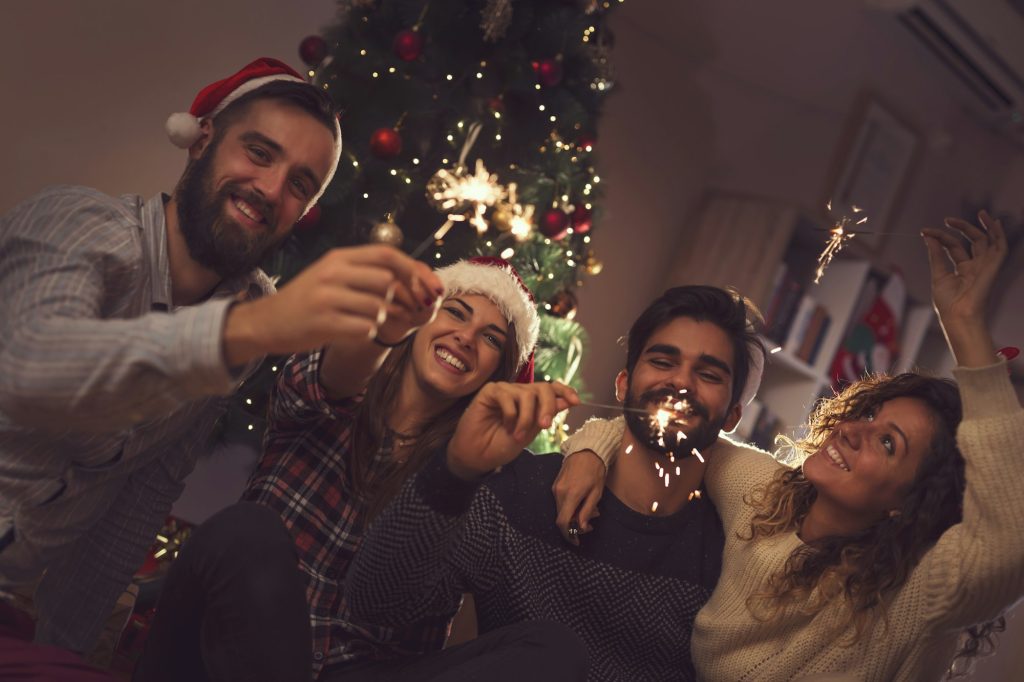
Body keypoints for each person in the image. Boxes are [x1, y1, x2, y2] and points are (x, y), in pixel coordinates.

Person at [0, 56, 441, 662]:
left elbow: (143, 490)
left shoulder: (251, 303)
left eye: (300, 184)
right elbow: (29, 367)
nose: (270, 190)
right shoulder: (78, 224)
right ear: (202, 136)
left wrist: (65, 652)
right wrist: (245, 330)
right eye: (259, 153)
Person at [561, 211, 1023, 681]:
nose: (852, 431)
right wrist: (590, 451)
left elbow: (1011, 540)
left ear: (909, 503)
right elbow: (681, 427)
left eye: (887, 442)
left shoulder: (915, 594)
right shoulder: (766, 499)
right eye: (866, 415)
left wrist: (965, 325)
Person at [134, 257, 588, 682]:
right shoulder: (332, 392)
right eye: (456, 312)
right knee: (246, 530)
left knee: (551, 648)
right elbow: (333, 374)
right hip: (239, 654)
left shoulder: (481, 478)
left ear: (498, 375)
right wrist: (381, 327)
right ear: (419, 320)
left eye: (492, 339)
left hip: (365, 671)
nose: (466, 338)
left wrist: (594, 449)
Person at [342, 285, 770, 681]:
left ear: (732, 415)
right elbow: (376, 603)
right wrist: (453, 471)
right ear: (623, 385)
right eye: (663, 361)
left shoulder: (730, 554)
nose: (680, 382)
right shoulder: (522, 494)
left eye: (709, 375)